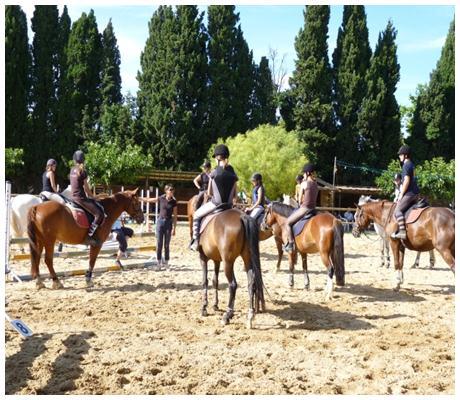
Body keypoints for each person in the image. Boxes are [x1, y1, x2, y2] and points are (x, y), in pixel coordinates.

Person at [189, 144, 238, 251]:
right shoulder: (232, 172)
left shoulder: (214, 172)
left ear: (217, 158)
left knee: (196, 215)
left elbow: (210, 192)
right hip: (229, 206)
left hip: (216, 204)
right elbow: (235, 193)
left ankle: (196, 241)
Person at [69, 150, 105, 245]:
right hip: (80, 198)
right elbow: (86, 188)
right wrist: (93, 197)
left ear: (74, 160)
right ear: (83, 160)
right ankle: (88, 236)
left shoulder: (72, 169)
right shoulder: (83, 171)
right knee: (99, 214)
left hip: (72, 197)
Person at [283, 163, 319, 253]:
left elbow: (299, 201)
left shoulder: (304, 184)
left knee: (287, 223)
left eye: (303, 173)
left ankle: (291, 244)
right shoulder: (316, 184)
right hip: (313, 209)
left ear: (307, 173)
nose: (303, 176)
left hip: (305, 209)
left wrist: (300, 202)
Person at [141, 184, 177, 267]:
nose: (171, 191)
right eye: (170, 190)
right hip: (160, 222)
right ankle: (159, 262)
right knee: (159, 243)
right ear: (166, 191)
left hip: (168, 223)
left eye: (172, 190)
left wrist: (174, 228)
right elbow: (150, 200)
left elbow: (175, 216)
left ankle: (167, 262)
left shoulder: (174, 202)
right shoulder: (161, 198)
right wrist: (140, 198)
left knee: (167, 244)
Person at [391, 145, 420, 240]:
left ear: (406, 155)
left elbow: (406, 180)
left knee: (397, 210)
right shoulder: (411, 164)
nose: (399, 156)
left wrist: (401, 194)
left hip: (410, 194)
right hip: (415, 193)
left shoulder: (406, 165)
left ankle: (402, 232)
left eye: (400, 155)